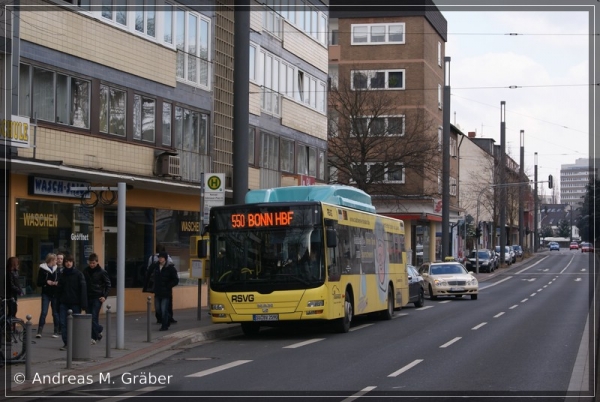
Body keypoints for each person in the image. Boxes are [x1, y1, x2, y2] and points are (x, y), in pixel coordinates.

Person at [56, 254, 87, 351]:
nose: (68, 263)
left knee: (75, 324)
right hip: (64, 303)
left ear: (73, 263)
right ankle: (66, 343)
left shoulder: (78, 274)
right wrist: (57, 303)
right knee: (63, 324)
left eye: (70, 261)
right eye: (66, 261)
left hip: (75, 303)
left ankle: (75, 343)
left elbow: (83, 290)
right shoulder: (62, 274)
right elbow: (59, 290)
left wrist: (83, 305)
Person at [83, 253, 111, 345]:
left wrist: (104, 296)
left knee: (94, 317)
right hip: (88, 297)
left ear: (97, 262)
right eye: (90, 263)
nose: (92, 265)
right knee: (89, 317)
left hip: (97, 297)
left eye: (93, 263)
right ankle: (99, 329)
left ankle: (93, 337)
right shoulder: (85, 271)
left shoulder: (102, 272)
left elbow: (108, 284)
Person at [146, 252, 179, 331]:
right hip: (157, 291)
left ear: (165, 258)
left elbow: (176, 280)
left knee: (164, 309)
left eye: (161, 257)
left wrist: (168, 286)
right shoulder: (156, 266)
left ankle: (164, 325)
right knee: (158, 309)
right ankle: (166, 320)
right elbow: (149, 273)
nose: (160, 259)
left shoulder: (170, 268)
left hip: (166, 292)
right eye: (159, 257)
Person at [36, 253, 60, 338]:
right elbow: (38, 282)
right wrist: (46, 282)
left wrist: (57, 283)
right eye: (55, 260)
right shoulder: (43, 269)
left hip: (55, 293)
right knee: (44, 312)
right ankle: (39, 330)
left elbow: (61, 281)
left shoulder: (58, 269)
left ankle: (56, 330)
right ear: (51, 260)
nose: (57, 261)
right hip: (46, 293)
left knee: (55, 313)